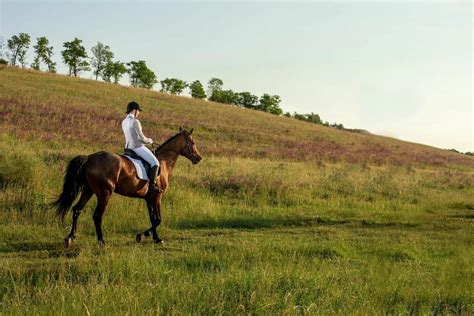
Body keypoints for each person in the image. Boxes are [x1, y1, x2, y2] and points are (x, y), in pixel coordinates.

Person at [121, 101, 162, 193]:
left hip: (127, 148)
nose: (138, 113)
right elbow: (141, 138)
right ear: (135, 110)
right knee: (155, 163)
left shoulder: (124, 122)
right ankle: (152, 186)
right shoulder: (135, 121)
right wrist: (149, 141)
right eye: (138, 111)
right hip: (137, 147)